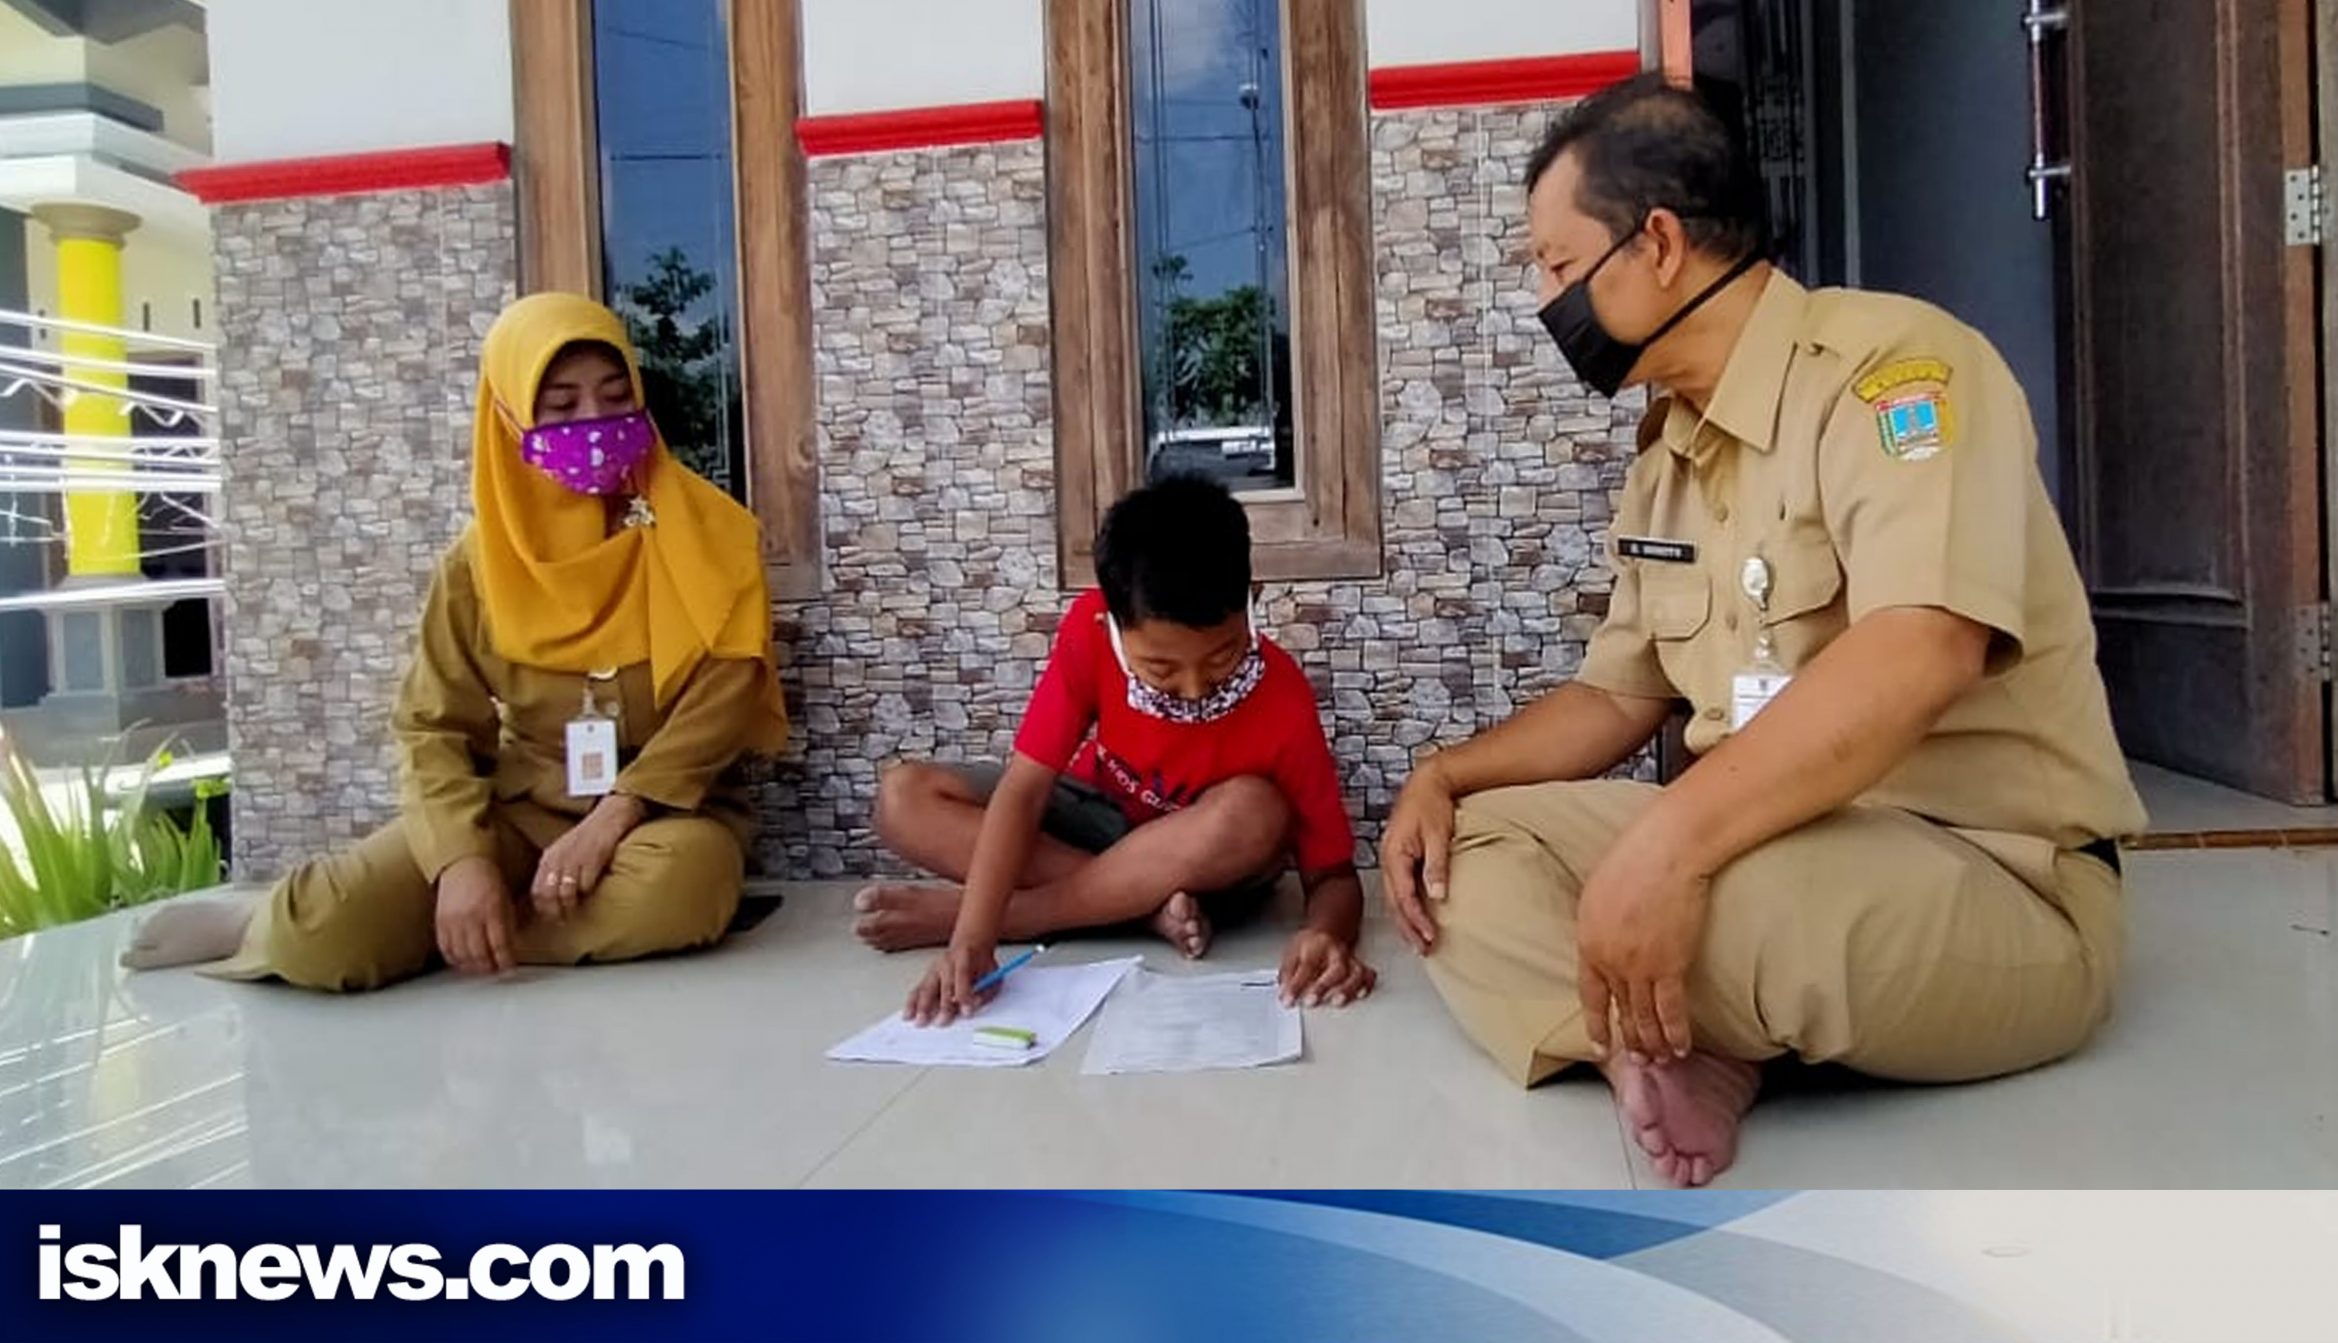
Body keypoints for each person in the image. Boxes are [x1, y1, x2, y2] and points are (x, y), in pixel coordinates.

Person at [1379, 75, 2147, 1187]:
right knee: (1467, 862)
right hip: (1756, 836)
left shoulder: (1896, 369)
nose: (1544, 300)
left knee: (1693, 904)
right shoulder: (1669, 452)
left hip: (1986, 870)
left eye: (1556, 264)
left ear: (1656, 243)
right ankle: (1673, 1047)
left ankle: (1660, 1021)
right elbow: (1617, 696)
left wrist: (1670, 846)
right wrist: (1445, 775)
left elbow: (1922, 645)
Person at [123, 292, 789, 990]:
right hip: (521, 812)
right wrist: (463, 863)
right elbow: (432, 725)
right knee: (322, 934)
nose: (594, 422)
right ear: (509, 417)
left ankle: (458, 936)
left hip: (661, 817)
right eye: (561, 407)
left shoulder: (710, 535)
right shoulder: (477, 567)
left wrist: (615, 815)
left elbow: (725, 696)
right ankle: (271, 920)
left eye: (616, 397)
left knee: (681, 892)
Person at [855, 475, 1375, 1023]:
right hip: (1099, 827)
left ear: (1253, 600)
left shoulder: (1283, 697)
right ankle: (1142, 912)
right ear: (1112, 620)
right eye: (1161, 669)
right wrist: (970, 940)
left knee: (1255, 811)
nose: (1194, 689)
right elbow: (1025, 790)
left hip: (1203, 870)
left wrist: (1325, 933)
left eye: (1222, 657)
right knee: (903, 797)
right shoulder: (1089, 631)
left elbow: (1334, 878)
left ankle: (1028, 915)